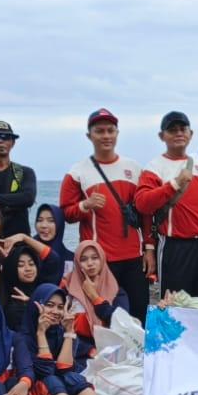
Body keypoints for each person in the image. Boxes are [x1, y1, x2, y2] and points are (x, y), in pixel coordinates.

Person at [60, 108, 149, 321]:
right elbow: (66, 214)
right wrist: (85, 205)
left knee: (139, 314)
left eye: (110, 130)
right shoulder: (77, 172)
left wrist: (149, 249)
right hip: (99, 261)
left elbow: (146, 213)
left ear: (117, 133)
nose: (106, 136)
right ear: (89, 135)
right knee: (102, 317)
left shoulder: (134, 168)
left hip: (134, 257)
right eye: (100, 131)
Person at [137, 111, 198, 298]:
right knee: (175, 305)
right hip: (175, 248)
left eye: (183, 129)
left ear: (191, 134)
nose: (179, 133)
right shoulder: (154, 167)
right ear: (162, 136)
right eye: (172, 130)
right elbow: (143, 205)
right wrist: (174, 184)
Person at [21, 284, 128, 395]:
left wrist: (69, 332)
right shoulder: (23, 337)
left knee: (73, 376)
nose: (55, 311)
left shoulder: (60, 331)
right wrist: (41, 333)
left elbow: (65, 369)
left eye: (60, 307)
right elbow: (45, 372)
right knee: (50, 379)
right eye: (49, 305)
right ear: (36, 305)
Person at [64, 240, 130, 342]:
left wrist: (94, 297)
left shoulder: (116, 291)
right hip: (75, 347)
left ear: (102, 259)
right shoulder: (68, 289)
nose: (90, 263)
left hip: (110, 346)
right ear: (77, 263)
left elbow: (121, 322)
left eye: (95, 258)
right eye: (83, 259)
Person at [31, 204, 75, 285]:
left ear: (59, 223)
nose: (44, 225)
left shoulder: (70, 258)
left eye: (51, 221)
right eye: (40, 220)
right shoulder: (28, 251)